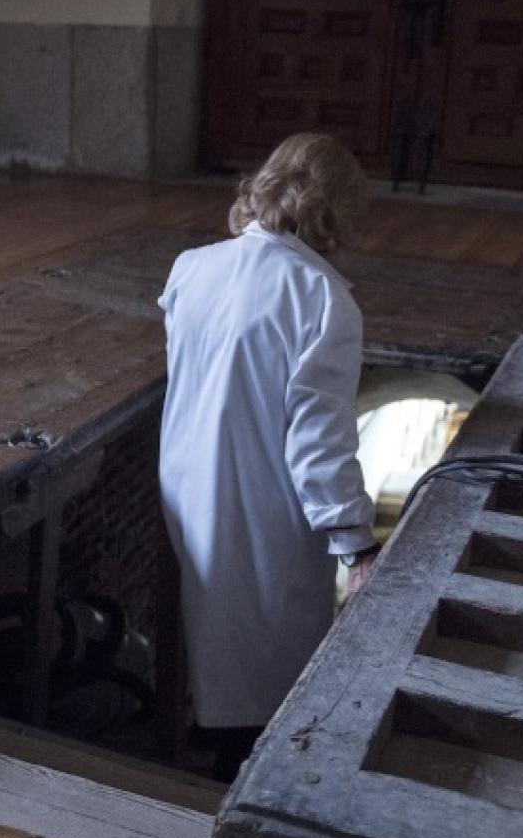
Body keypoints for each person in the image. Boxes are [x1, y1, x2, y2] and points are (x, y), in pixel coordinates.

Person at [157, 133, 379, 782]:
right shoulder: (322, 297)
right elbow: (318, 440)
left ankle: (209, 745)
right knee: (269, 652)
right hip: (263, 499)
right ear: (339, 209)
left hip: (188, 479)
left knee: (213, 630)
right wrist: (354, 544)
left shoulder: (191, 266)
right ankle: (247, 779)